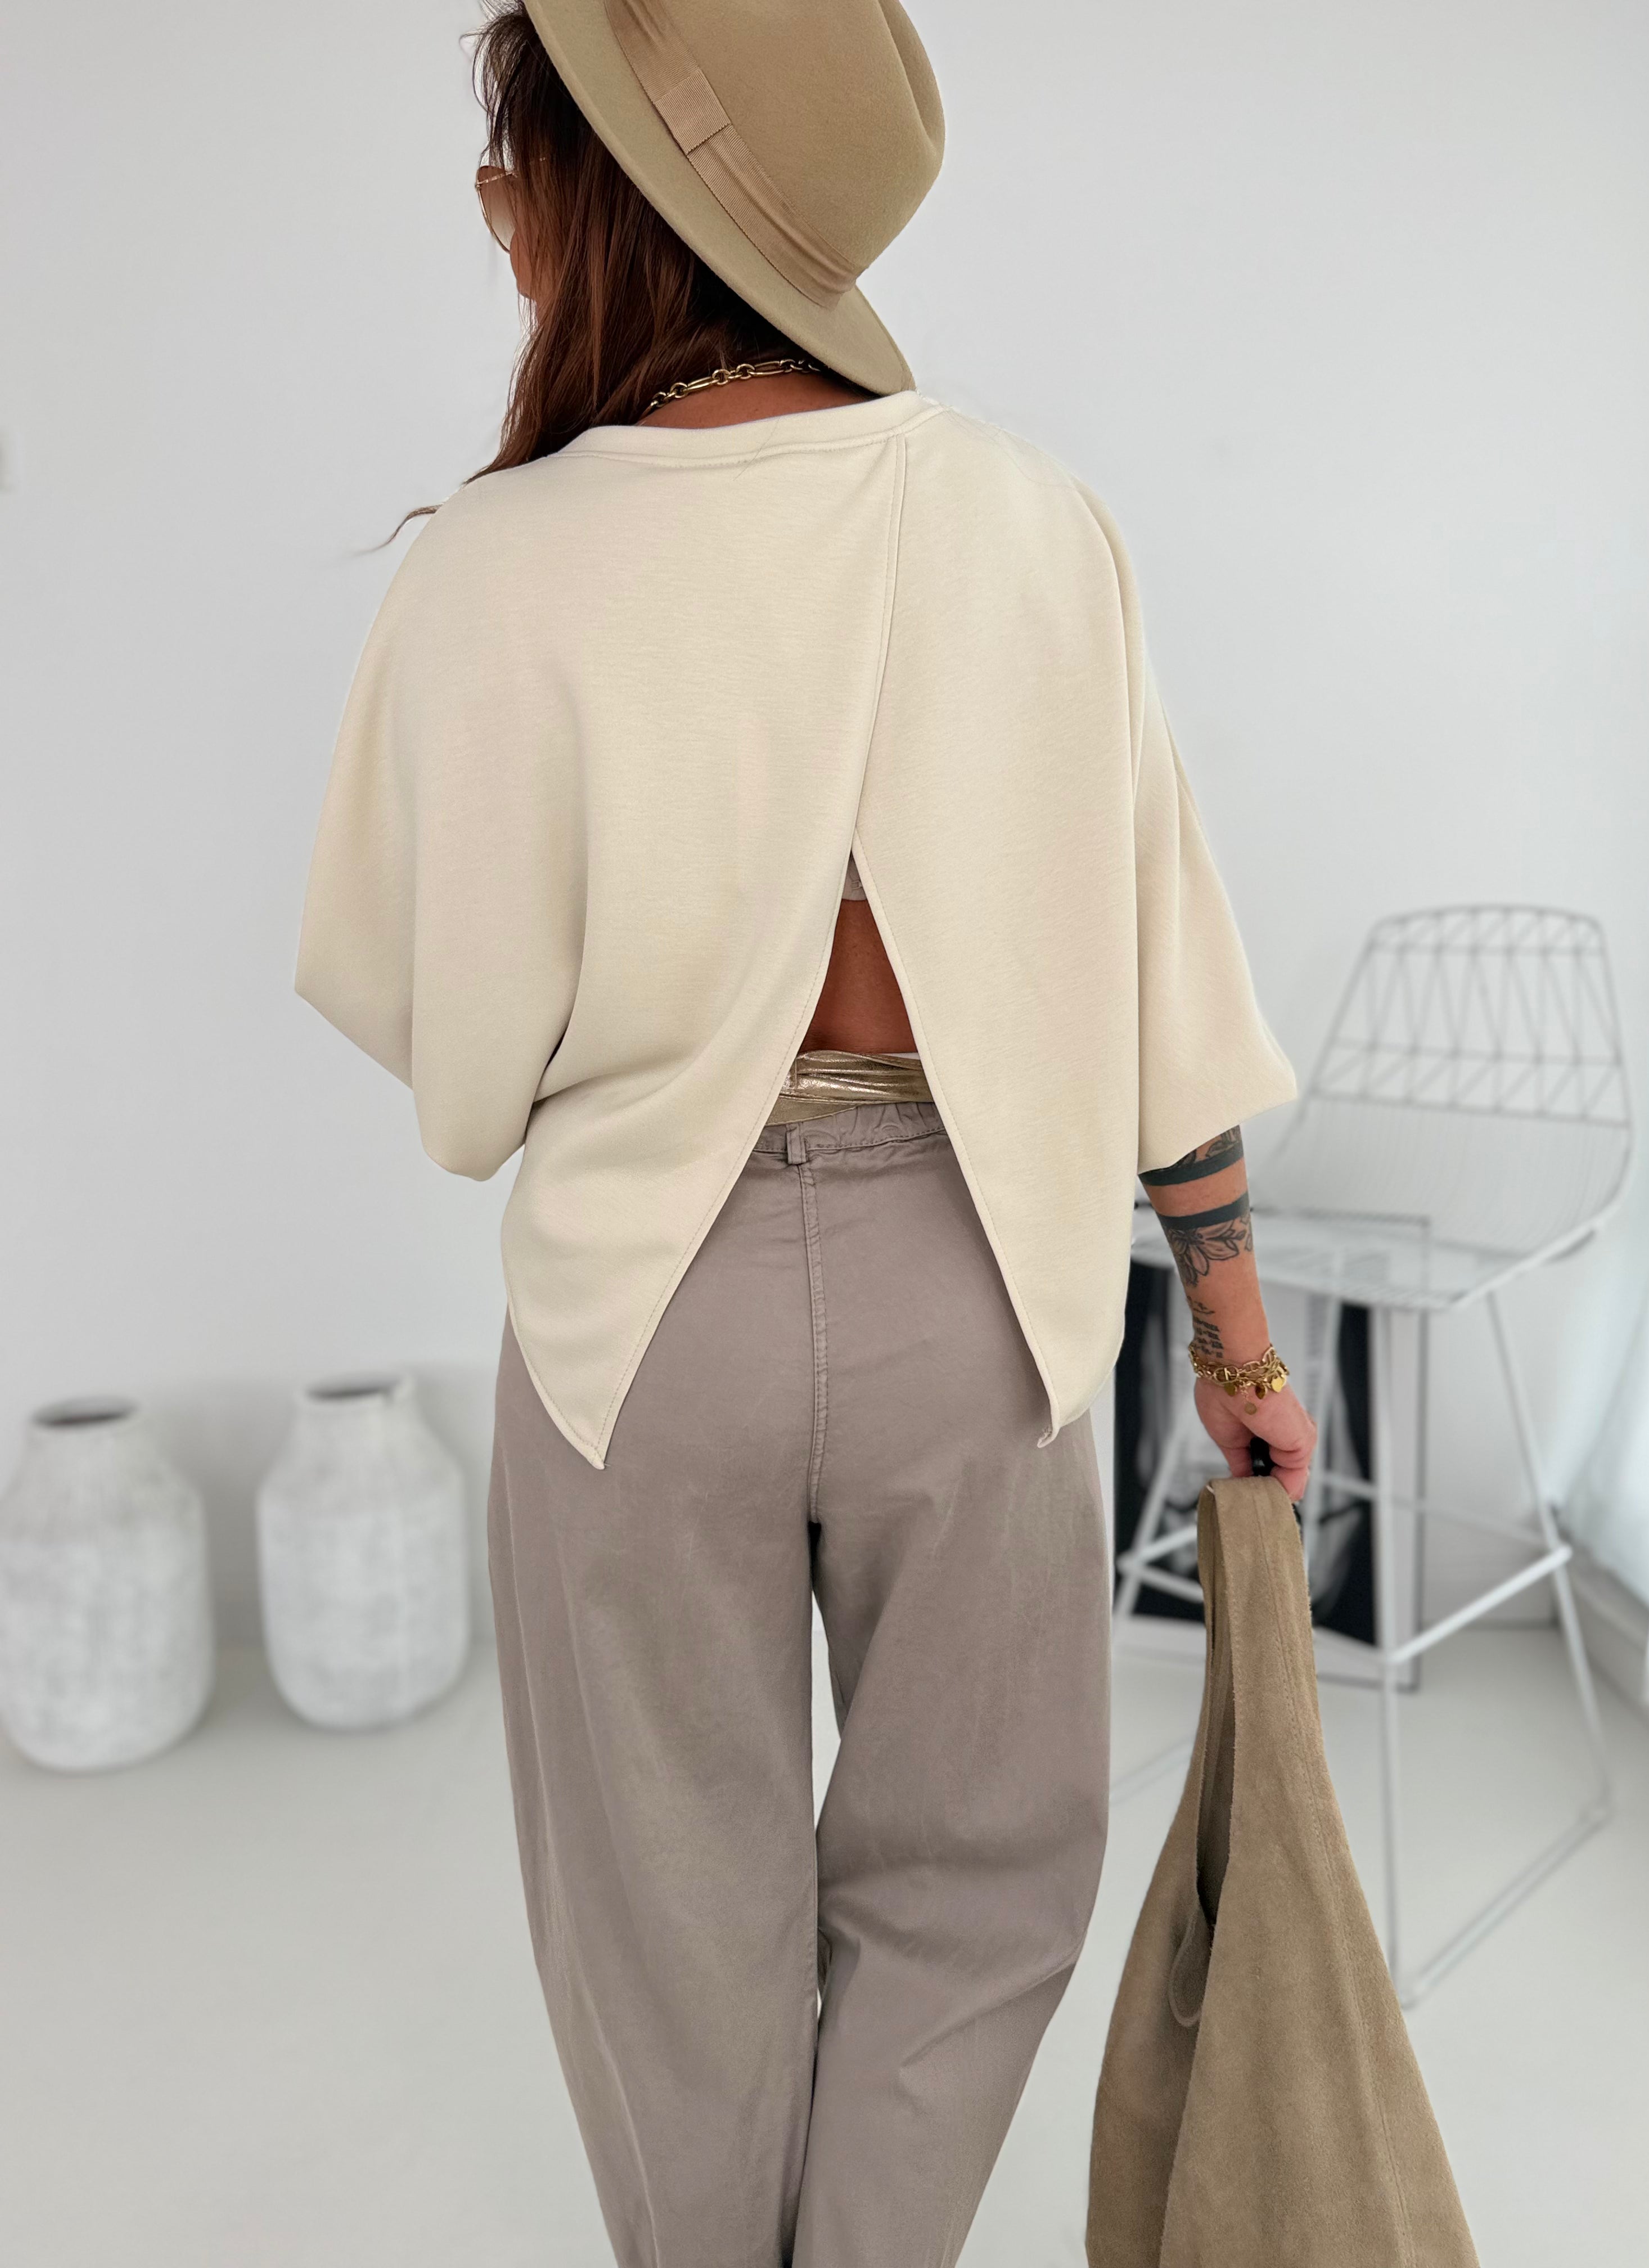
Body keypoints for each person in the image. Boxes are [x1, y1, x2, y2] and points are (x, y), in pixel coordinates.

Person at [294, 2, 1317, 2261]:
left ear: (599, 195)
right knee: (982, 1881)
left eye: (518, 148)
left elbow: (458, 1063)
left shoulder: (497, 562)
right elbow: (1161, 973)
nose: (495, 199)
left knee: (667, 1928)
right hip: (981, 1292)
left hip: (641, 1330)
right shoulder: (1037, 523)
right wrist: (1238, 1340)